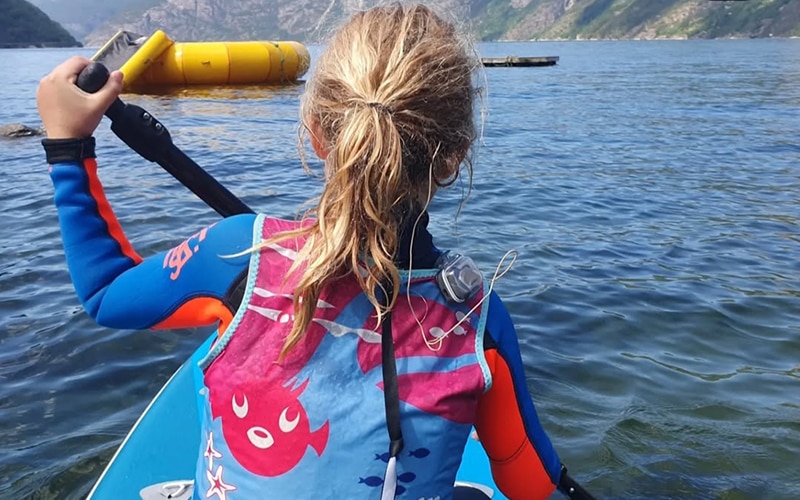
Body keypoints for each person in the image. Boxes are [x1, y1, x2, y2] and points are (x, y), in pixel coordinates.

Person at [37, 4, 572, 500]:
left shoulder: (235, 253)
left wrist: (68, 145)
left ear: (316, 134)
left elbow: (106, 291)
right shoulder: (478, 323)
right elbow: (528, 483)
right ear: (453, 158)